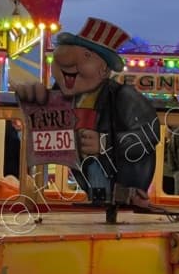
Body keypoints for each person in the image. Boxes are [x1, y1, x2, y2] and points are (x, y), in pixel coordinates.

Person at [12, 17, 158, 206]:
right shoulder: (64, 94)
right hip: (89, 179)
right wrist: (32, 100)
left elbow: (150, 133)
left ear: (103, 70)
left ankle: (111, 199)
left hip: (124, 183)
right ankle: (98, 199)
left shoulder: (123, 96)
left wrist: (105, 142)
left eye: (87, 55)